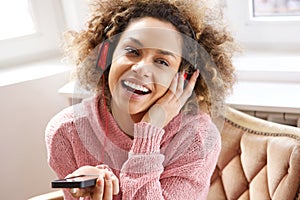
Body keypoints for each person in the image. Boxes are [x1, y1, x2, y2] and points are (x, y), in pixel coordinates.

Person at [45, 0, 236, 199]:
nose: (141, 68)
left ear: (183, 78)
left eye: (162, 62)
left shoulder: (198, 139)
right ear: (106, 56)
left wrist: (149, 134)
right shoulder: (66, 131)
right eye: (132, 51)